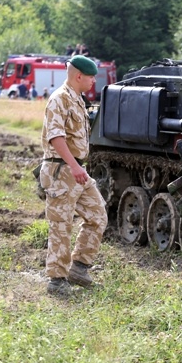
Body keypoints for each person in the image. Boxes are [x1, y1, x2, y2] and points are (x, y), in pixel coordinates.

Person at [39, 55, 108, 296]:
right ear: (79, 76)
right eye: (91, 77)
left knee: (98, 215)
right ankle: (56, 281)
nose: (93, 81)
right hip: (62, 170)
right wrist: (75, 166)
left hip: (77, 170)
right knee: (61, 225)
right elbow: (55, 137)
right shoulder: (59, 99)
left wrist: (79, 167)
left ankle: (78, 268)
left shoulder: (77, 99)